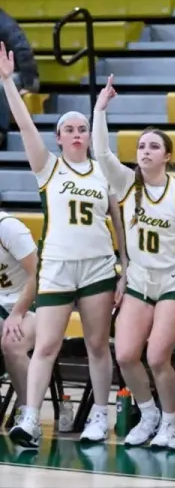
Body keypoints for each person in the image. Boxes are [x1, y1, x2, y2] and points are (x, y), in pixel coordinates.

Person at [0, 43, 125, 447]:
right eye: (68, 129)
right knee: (46, 346)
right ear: (58, 138)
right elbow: (25, 127)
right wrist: (7, 82)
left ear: (89, 136)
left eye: (81, 129)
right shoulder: (48, 168)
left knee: (96, 345)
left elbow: (118, 222)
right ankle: (31, 418)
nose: (76, 134)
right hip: (56, 267)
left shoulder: (103, 173)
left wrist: (124, 268)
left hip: (98, 267)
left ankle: (100, 416)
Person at [89, 77, 175, 447]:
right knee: (125, 355)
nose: (145, 151)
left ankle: (171, 420)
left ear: (167, 156)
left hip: (172, 282)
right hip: (139, 281)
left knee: (157, 356)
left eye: (154, 146)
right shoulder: (128, 184)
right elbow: (101, 153)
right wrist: (100, 110)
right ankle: (148, 412)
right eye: (141, 146)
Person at [0, 211, 38, 425]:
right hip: (2, 303)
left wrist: (17, 312)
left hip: (33, 304)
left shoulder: (9, 228)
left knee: (12, 343)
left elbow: (37, 274)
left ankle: (28, 413)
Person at [0, 8, 38, 132]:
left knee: (1, 86)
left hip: (19, 74)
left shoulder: (6, 24)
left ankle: (1, 130)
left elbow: (23, 50)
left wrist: (29, 84)